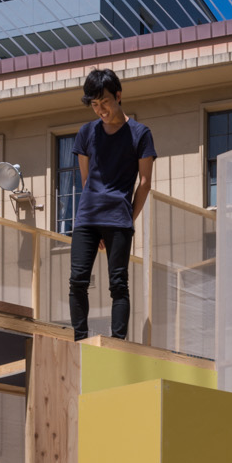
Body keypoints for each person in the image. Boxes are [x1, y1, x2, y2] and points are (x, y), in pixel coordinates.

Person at [68, 67, 155, 341]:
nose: (100, 109)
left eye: (104, 101)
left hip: (119, 218)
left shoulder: (140, 134)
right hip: (87, 218)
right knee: (77, 281)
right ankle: (79, 340)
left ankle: (117, 343)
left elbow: (144, 182)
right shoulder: (86, 132)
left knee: (118, 283)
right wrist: (94, 213)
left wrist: (128, 217)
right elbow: (86, 177)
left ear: (118, 95)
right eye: (94, 104)